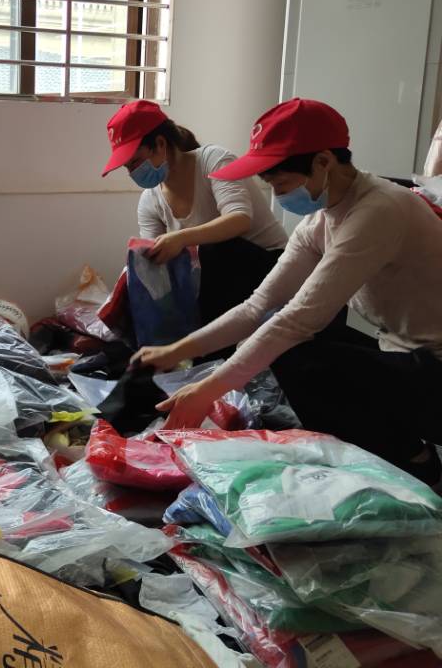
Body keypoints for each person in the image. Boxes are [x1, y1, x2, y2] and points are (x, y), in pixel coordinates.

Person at [134, 98, 442, 485]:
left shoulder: (379, 210)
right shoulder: (322, 221)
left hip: (434, 367)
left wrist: (205, 391)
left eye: (281, 184)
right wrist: (174, 351)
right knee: (284, 344)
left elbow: (296, 321)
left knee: (298, 356)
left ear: (323, 162)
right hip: (403, 351)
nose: (278, 196)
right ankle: (397, 446)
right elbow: (256, 306)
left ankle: (414, 460)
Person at [102, 100, 288, 328]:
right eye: (128, 168)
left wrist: (180, 238)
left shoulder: (213, 160)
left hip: (272, 265)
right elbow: (156, 263)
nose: (133, 173)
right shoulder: (150, 201)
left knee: (210, 251)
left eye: (135, 162)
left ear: (160, 144)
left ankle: (212, 343)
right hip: (224, 281)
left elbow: (239, 219)